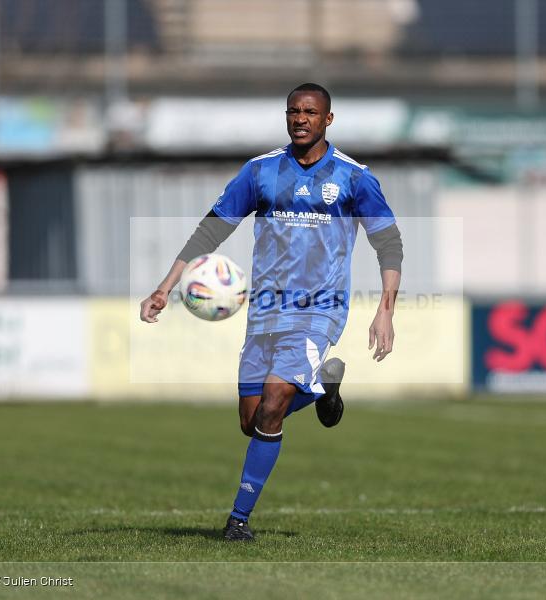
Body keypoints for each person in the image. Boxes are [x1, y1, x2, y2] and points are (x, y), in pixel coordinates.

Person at [140, 83, 403, 541]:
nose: (300, 119)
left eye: (310, 112)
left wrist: (386, 311)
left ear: (328, 119)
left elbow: (389, 243)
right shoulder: (260, 171)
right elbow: (210, 232)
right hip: (264, 310)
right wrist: (165, 287)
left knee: (274, 406)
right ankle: (323, 389)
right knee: (252, 419)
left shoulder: (354, 178)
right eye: (293, 111)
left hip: (318, 310)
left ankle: (237, 522)